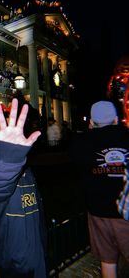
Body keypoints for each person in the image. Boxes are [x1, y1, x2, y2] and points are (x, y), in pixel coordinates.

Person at [0, 98, 49, 278]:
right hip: (9, 266)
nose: (12, 139)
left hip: (35, 261)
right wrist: (8, 156)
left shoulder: (26, 169)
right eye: (5, 135)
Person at [70, 100, 129, 278]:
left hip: (97, 213)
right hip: (125, 213)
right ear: (116, 120)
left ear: (91, 122)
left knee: (107, 261)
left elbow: (77, 170)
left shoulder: (81, 142)